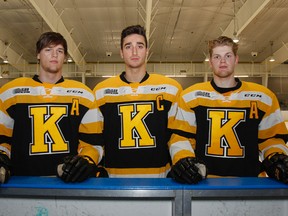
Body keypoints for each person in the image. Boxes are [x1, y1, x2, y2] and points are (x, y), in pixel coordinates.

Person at [168, 36, 288, 184]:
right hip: (204, 184)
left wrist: (276, 156)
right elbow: (182, 137)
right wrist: (184, 159)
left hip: (250, 183)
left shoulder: (263, 97)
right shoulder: (190, 96)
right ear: (210, 62)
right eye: (217, 57)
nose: (223, 61)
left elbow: (270, 139)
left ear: (236, 59)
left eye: (228, 56)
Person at [0, 32, 105, 184]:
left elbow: (93, 144)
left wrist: (86, 160)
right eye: (48, 49)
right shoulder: (11, 92)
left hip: (67, 184)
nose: (54, 55)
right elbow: (3, 140)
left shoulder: (84, 95)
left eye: (59, 51)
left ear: (65, 56)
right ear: (38, 54)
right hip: (21, 183)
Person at [92, 25, 183, 177]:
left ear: (147, 51)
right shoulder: (101, 91)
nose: (134, 51)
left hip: (160, 183)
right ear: (121, 52)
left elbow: (178, 137)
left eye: (139, 46)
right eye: (128, 46)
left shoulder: (170, 88)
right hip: (114, 183)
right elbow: (95, 140)